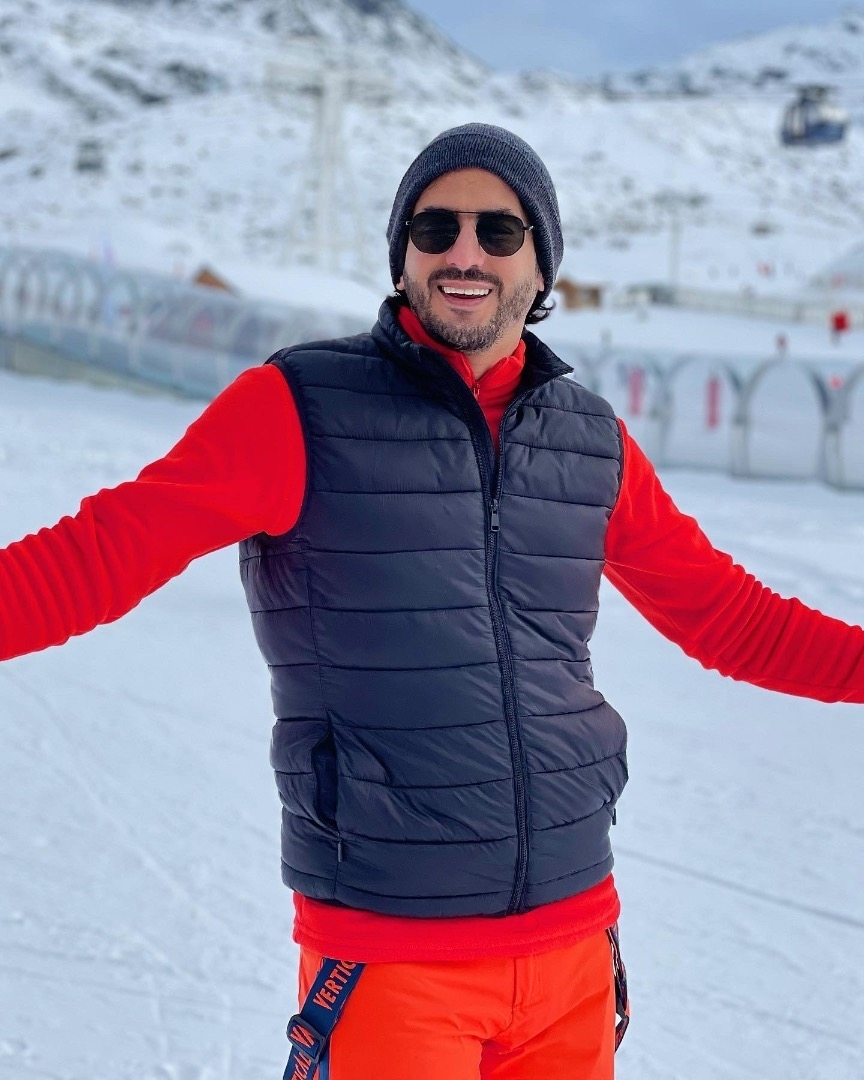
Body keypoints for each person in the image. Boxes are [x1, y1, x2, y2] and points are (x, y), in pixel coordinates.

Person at [2, 123, 864, 1080]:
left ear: (540, 264)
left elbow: (731, 618)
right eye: (434, 227)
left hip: (574, 947)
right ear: (402, 253)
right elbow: (99, 555)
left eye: (499, 231)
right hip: (391, 952)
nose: (464, 253)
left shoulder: (589, 440)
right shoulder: (298, 405)